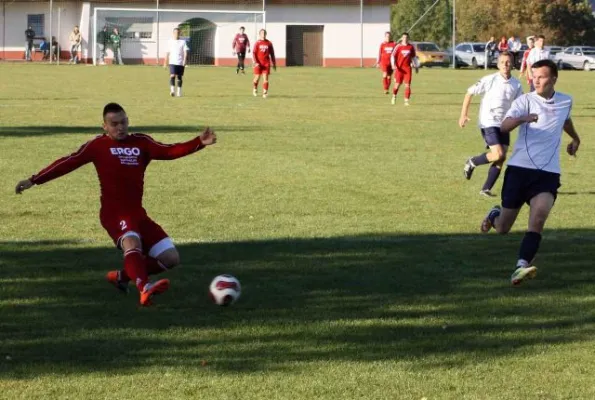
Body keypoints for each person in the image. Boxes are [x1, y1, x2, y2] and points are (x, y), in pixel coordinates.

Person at [14, 103, 218, 306]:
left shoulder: (141, 142)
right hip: (114, 213)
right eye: (114, 124)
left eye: (123, 122)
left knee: (170, 258)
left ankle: (122, 276)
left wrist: (198, 142)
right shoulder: (97, 146)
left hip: (138, 214)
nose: (120, 128)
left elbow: (169, 151)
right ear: (104, 126)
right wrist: (34, 179)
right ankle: (144, 288)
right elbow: (68, 162)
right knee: (132, 243)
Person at [480, 59, 581, 286]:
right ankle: (494, 215)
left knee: (538, 217)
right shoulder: (524, 101)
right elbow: (504, 126)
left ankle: (521, 266)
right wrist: (523, 118)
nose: (536, 80)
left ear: (554, 78)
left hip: (547, 174)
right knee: (503, 228)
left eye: (541, 76)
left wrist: (575, 138)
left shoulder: (566, 101)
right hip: (519, 171)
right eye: (533, 76)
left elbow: (564, 120)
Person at [460, 52, 523, 197]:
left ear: (512, 63)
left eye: (508, 62)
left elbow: (520, 104)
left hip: (505, 123)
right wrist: (463, 114)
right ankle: (472, 162)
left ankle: (486, 189)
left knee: (501, 157)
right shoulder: (490, 79)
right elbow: (469, 93)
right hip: (488, 121)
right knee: (498, 153)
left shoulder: (516, 84)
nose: (505, 65)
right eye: (503, 62)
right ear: (498, 64)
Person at [390, 32, 418, 106]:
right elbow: (392, 56)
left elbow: (414, 57)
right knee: (397, 85)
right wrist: (393, 65)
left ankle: (406, 101)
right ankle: (394, 96)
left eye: (406, 37)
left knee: (407, 85)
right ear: (402, 38)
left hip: (407, 69)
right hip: (399, 69)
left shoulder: (411, 47)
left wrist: (416, 66)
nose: (405, 39)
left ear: (408, 38)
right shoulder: (398, 46)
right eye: (404, 37)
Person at [164, 28, 189, 97]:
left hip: (180, 62)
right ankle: (172, 91)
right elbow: (167, 52)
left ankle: (179, 92)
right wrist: (165, 62)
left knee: (179, 77)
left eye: (178, 33)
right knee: (172, 75)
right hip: (172, 61)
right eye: (175, 33)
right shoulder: (170, 41)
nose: (176, 34)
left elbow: (185, 52)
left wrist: (184, 60)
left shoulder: (183, 42)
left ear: (180, 33)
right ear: (173, 33)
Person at [252, 29, 276, 98]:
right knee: (257, 78)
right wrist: (256, 62)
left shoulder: (269, 43)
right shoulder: (257, 43)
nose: (263, 34)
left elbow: (272, 54)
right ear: (259, 34)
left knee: (265, 79)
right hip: (258, 63)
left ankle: (265, 93)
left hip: (266, 63)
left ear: (266, 34)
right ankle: (255, 89)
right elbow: (254, 53)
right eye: (262, 33)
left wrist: (274, 63)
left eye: (264, 33)